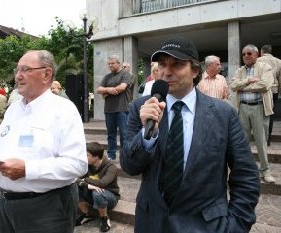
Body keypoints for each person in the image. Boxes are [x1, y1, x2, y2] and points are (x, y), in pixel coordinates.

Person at [121, 36, 260, 233]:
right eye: (162, 64)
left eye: (176, 64)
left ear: (195, 70)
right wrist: (146, 135)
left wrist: (236, 225)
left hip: (207, 225)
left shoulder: (223, 114)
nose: (167, 72)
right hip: (152, 223)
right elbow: (129, 166)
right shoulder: (140, 108)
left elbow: (246, 175)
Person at [0, 50, 88, 233]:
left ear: (46, 74)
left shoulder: (64, 110)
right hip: (6, 204)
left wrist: (28, 169)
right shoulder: (13, 110)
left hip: (46, 208)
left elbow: (77, 164)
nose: (18, 76)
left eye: (25, 70)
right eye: (17, 70)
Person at [230, 44, 275, 184]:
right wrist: (248, 80)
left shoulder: (264, 67)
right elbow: (233, 85)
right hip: (242, 108)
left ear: (256, 54)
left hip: (259, 108)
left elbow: (265, 84)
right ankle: (243, 170)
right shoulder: (240, 70)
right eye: (243, 54)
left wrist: (244, 88)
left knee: (261, 141)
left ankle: (265, 171)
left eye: (249, 53)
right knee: (242, 141)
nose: (246, 56)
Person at [75, 142, 120, 232]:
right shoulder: (87, 165)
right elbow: (75, 179)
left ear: (95, 157)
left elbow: (102, 183)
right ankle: (87, 215)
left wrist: (86, 180)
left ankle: (104, 218)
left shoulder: (111, 168)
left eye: (87, 155)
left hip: (110, 197)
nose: (84, 158)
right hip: (91, 194)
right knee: (75, 188)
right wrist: (88, 185)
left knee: (98, 192)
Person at [96, 55, 131, 160]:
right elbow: (98, 89)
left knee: (124, 134)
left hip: (122, 109)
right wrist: (109, 90)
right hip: (109, 110)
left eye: (112, 63)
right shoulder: (107, 77)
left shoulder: (125, 73)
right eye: (109, 64)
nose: (110, 65)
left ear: (119, 64)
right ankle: (111, 155)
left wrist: (106, 92)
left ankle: (125, 156)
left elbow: (122, 87)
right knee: (111, 134)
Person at [257, 44, 281, 146]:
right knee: (270, 115)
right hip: (273, 91)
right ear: (270, 52)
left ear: (262, 51)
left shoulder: (257, 60)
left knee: (258, 114)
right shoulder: (279, 61)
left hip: (260, 90)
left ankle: (259, 138)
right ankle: (268, 139)